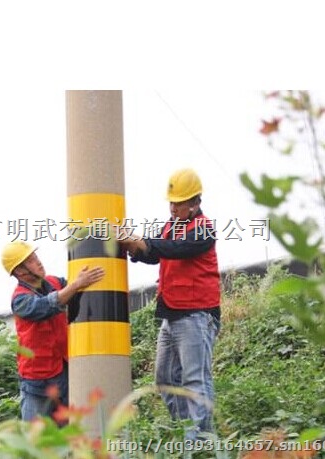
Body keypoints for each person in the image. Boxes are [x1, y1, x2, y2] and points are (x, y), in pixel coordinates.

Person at [117, 167, 221, 440]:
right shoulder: (171, 226)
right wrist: (136, 248)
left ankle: (200, 441)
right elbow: (156, 254)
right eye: (171, 202)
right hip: (173, 314)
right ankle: (187, 432)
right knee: (164, 380)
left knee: (195, 379)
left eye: (179, 203)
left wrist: (141, 241)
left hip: (197, 315)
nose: (173, 208)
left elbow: (175, 249)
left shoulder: (204, 229)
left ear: (195, 202)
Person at [1, 241, 105, 423]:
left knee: (68, 430)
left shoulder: (55, 282)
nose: (38, 262)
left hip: (63, 371)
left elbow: (73, 292)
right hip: (37, 382)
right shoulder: (20, 299)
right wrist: (75, 285)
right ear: (20, 271)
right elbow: (46, 305)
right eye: (31, 260)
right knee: (37, 436)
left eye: (36, 257)